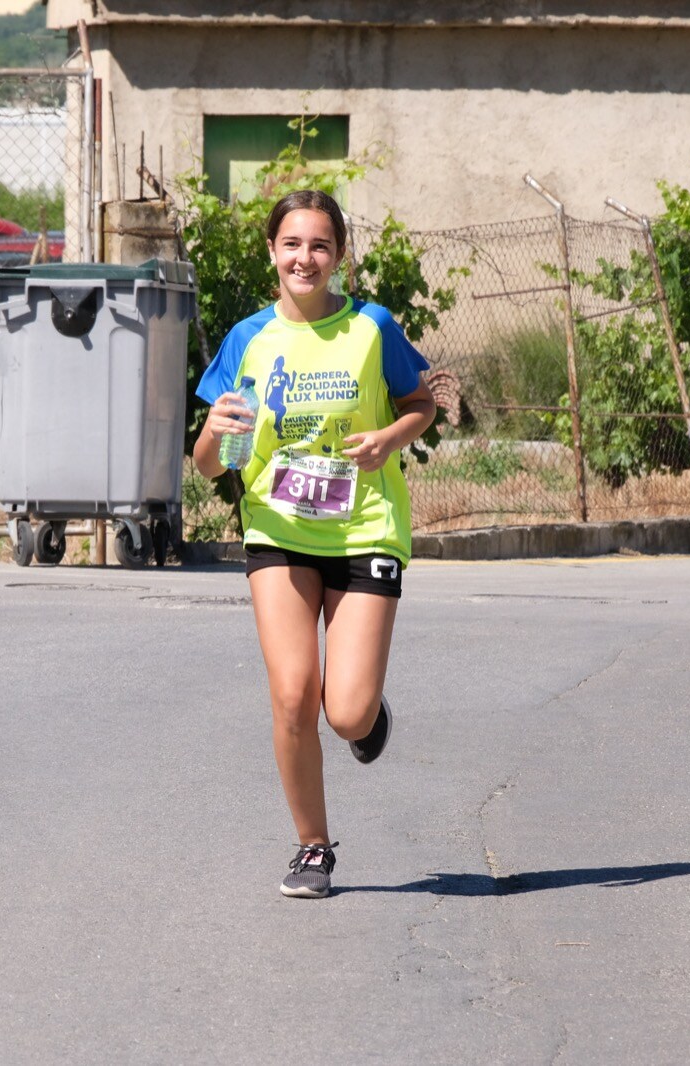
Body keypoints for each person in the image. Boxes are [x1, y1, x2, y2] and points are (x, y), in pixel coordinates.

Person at [192, 189, 437, 899]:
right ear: (272, 252)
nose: (306, 257)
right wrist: (217, 433)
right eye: (292, 244)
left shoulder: (371, 327)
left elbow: (420, 403)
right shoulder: (247, 339)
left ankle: (367, 714)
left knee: (347, 713)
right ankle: (312, 847)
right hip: (278, 527)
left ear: (339, 255)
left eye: (320, 245)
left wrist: (390, 436)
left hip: (365, 527)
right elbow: (211, 464)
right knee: (293, 694)